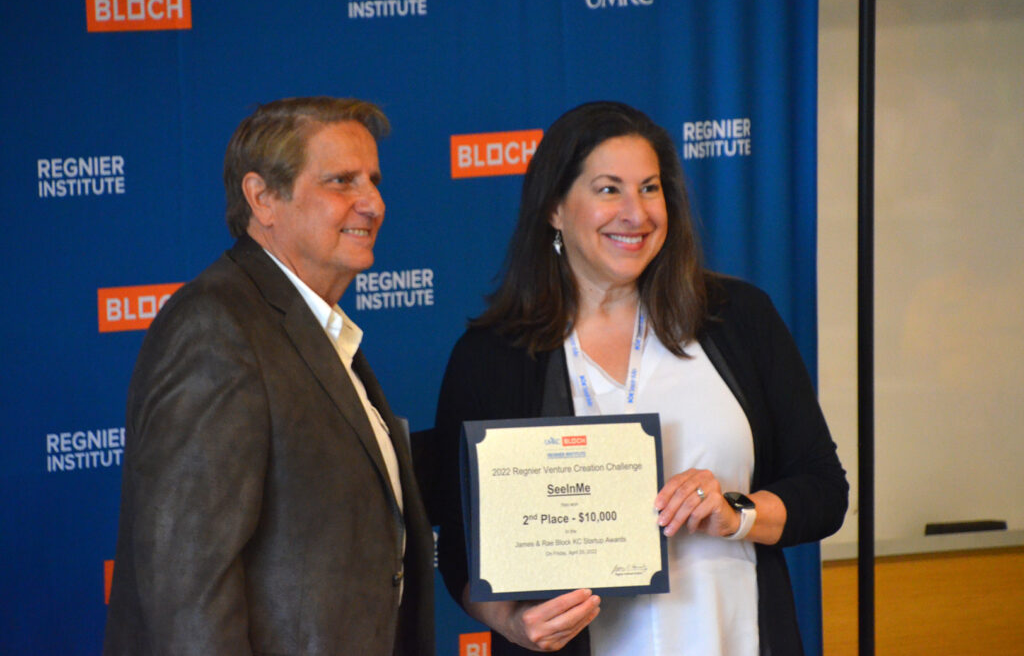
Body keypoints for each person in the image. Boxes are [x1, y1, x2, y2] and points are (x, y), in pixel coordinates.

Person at [433, 101, 848, 655]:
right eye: (609, 190)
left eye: (650, 189)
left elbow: (823, 490)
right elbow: (462, 551)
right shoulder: (490, 358)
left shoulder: (738, 318)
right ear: (555, 207)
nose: (637, 213)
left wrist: (736, 513)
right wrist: (510, 623)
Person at [103, 97, 434, 656]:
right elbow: (188, 589)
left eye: (373, 180)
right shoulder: (217, 327)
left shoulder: (312, 328)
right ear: (263, 199)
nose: (372, 203)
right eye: (342, 182)